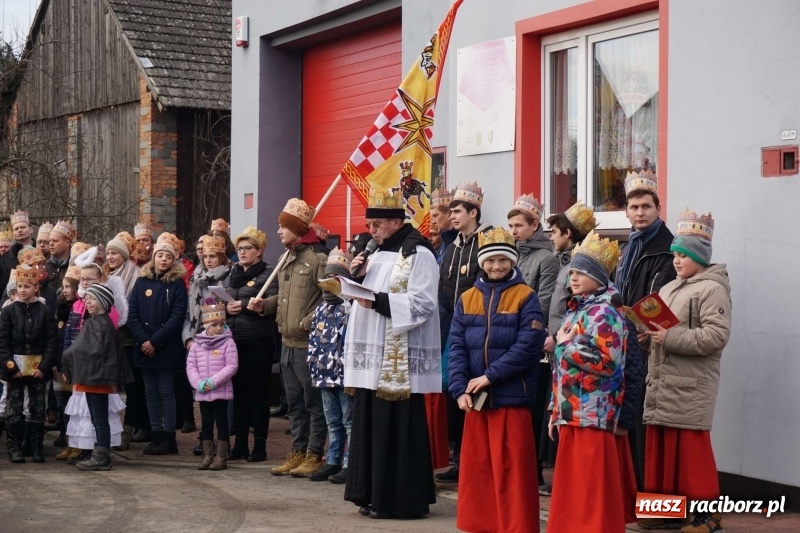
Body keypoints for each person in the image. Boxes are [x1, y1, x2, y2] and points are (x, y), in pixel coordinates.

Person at [341, 185, 441, 519]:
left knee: (396, 430)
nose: (371, 231)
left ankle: (399, 500)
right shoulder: (375, 252)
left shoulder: (418, 253)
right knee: (370, 426)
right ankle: (370, 494)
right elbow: (360, 298)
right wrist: (354, 278)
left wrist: (377, 301)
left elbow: (424, 303)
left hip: (396, 360)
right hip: (373, 358)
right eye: (370, 226)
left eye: (376, 225)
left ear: (396, 222)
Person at [448, 227, 546, 533]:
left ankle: (516, 527)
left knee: (513, 471)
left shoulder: (526, 296)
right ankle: (481, 525)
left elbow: (528, 346)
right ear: (482, 262)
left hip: (511, 397)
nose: (496, 266)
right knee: (478, 470)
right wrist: (459, 388)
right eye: (490, 261)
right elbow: (456, 346)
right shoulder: (467, 297)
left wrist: (490, 376)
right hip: (476, 401)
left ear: (512, 261)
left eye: (503, 260)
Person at [640, 210, 731, 533]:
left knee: (692, 453)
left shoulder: (711, 290)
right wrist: (646, 336)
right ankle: (664, 511)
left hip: (691, 386)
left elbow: (717, 337)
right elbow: (661, 329)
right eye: (676, 254)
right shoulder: (669, 289)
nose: (677, 261)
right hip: (663, 381)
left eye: (684, 255)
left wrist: (670, 337)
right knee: (662, 449)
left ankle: (708, 517)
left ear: (700, 257)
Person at [547, 231, 626, 532]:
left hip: (593, 413)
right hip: (571, 411)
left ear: (598, 276)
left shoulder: (607, 313)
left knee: (589, 490)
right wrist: (555, 410)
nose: (574, 278)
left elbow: (608, 363)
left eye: (582, 273)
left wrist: (565, 345)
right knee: (573, 488)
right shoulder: (576, 309)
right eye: (572, 272)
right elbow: (559, 369)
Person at [249, 199, 328, 477]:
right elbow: (283, 298)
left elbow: (330, 296)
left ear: (297, 228)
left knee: (313, 403)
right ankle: (297, 451)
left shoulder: (318, 259)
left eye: (284, 226)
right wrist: (265, 306)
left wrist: (307, 323)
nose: (279, 231)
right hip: (286, 342)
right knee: (293, 403)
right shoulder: (286, 258)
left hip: (308, 344)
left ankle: (314, 453)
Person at [614, 169, 677, 490]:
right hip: (626, 347)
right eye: (634, 207)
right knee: (631, 423)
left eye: (646, 207)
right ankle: (635, 499)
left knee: (650, 430)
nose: (639, 213)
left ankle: (653, 506)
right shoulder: (628, 248)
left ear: (658, 209)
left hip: (652, 347)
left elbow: (662, 297)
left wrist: (640, 327)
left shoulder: (667, 247)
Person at [436, 181, 491, 485]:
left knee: (474, 392)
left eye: (457, 211)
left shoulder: (485, 242)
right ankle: (458, 456)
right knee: (452, 390)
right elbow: (444, 290)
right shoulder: (451, 246)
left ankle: (470, 458)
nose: (452, 216)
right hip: (452, 330)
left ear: (473, 212)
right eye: (450, 211)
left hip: (477, 330)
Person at [539, 200, 597, 492]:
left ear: (569, 233)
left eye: (555, 232)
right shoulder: (565, 263)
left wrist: (557, 338)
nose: (551, 237)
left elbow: (568, 310)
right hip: (560, 347)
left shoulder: (577, 266)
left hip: (570, 348)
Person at [507, 193, 560, 495]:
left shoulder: (546, 258)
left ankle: (535, 470)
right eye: (511, 225)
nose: (513, 231)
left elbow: (543, 300)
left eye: (518, 225)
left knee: (534, 406)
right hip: (509, 337)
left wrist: (519, 327)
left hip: (530, 340)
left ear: (534, 225)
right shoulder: (513, 254)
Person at [63, 249, 127, 463]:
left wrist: (68, 358)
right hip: (91, 377)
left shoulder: (101, 324)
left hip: (96, 378)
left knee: (99, 418)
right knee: (95, 416)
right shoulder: (94, 322)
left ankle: (101, 455)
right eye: (87, 298)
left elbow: (91, 351)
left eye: (92, 299)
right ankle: (96, 452)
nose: (87, 302)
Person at [127, 235, 188, 455]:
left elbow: (177, 316)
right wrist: (143, 340)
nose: (163, 260)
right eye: (160, 255)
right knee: (150, 393)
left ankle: (169, 437)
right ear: (154, 257)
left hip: (166, 348)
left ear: (174, 260)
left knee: (165, 392)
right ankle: (156, 433)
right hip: (143, 347)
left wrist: (155, 341)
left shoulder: (177, 284)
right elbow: (132, 312)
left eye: (168, 256)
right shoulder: (142, 281)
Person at [224, 226, 278, 463]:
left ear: (259, 251)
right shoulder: (232, 273)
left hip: (258, 340)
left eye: (247, 248)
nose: (242, 253)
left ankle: (260, 445)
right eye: (240, 249)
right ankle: (240, 444)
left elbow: (272, 302)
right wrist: (226, 308)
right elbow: (220, 298)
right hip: (234, 340)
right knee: (238, 394)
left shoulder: (268, 273)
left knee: (257, 394)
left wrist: (245, 305)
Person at [0, 265, 59, 463]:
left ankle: (36, 447)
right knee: (13, 409)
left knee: (37, 408)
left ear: (36, 288)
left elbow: (52, 342)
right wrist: (10, 366)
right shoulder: (8, 311)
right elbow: (3, 341)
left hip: (37, 370)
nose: (23, 290)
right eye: (20, 286)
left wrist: (44, 367)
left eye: (27, 286)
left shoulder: (45, 311)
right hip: (14, 369)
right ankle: (14, 447)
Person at [306, 247, 352, 483]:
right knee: (332, 421)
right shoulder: (321, 309)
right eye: (326, 278)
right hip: (324, 375)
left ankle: (348, 462)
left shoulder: (350, 307)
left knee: (348, 420)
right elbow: (314, 340)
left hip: (343, 376)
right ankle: (332, 460)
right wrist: (313, 366)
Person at [186, 300, 238, 471]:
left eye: (222, 324)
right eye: (214, 324)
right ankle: (207, 455)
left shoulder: (228, 343)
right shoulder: (197, 345)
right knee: (206, 423)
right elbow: (191, 367)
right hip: (203, 392)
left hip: (220, 391)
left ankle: (221, 457)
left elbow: (231, 366)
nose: (218, 328)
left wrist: (212, 382)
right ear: (206, 325)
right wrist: (199, 384)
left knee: (222, 423)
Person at [52, 266, 80, 457]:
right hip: (61, 363)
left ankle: (79, 442)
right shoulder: (59, 309)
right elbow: (54, 338)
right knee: (64, 404)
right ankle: (68, 440)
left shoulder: (79, 309)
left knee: (77, 405)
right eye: (64, 286)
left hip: (76, 365)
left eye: (69, 286)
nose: (65, 290)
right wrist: (54, 363)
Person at [46, 220, 75, 292]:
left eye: (55, 241)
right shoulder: (45, 266)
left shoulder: (74, 266)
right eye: (49, 241)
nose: (51, 244)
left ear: (67, 243)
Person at [430, 188, 457, 264]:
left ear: (449, 215)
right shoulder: (443, 244)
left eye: (435, 216)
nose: (433, 221)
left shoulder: (458, 241)